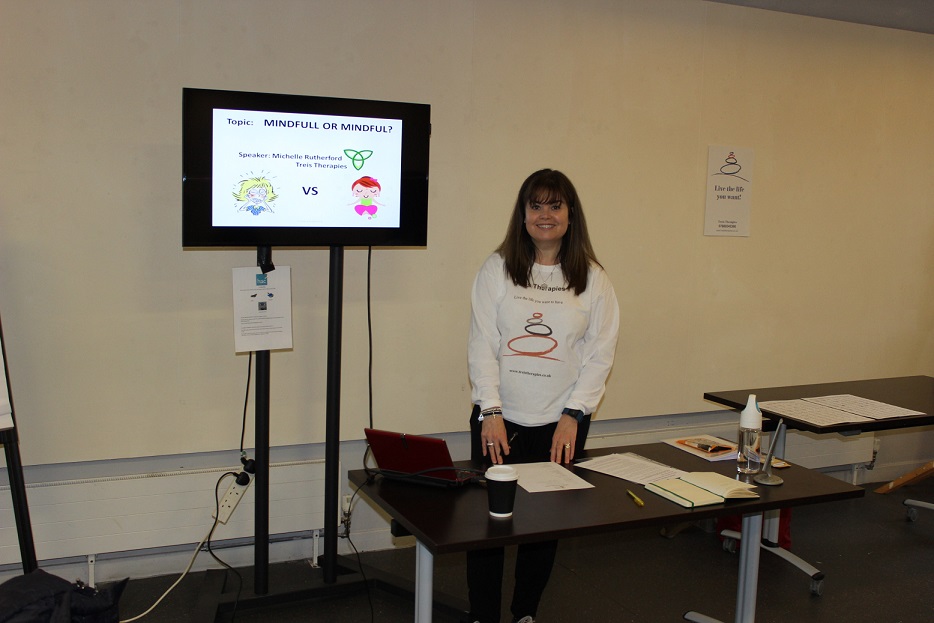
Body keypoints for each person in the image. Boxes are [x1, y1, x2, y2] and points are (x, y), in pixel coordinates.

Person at [467, 168, 620, 623]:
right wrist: (490, 411)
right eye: (536, 206)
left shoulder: (593, 279)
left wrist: (575, 414)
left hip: (561, 422)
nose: (545, 215)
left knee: (543, 527)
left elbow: (600, 354)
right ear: (523, 214)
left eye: (555, 205)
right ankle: (483, 615)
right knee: (488, 528)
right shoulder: (497, 268)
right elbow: (482, 343)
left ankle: (525, 613)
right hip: (499, 419)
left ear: (571, 215)